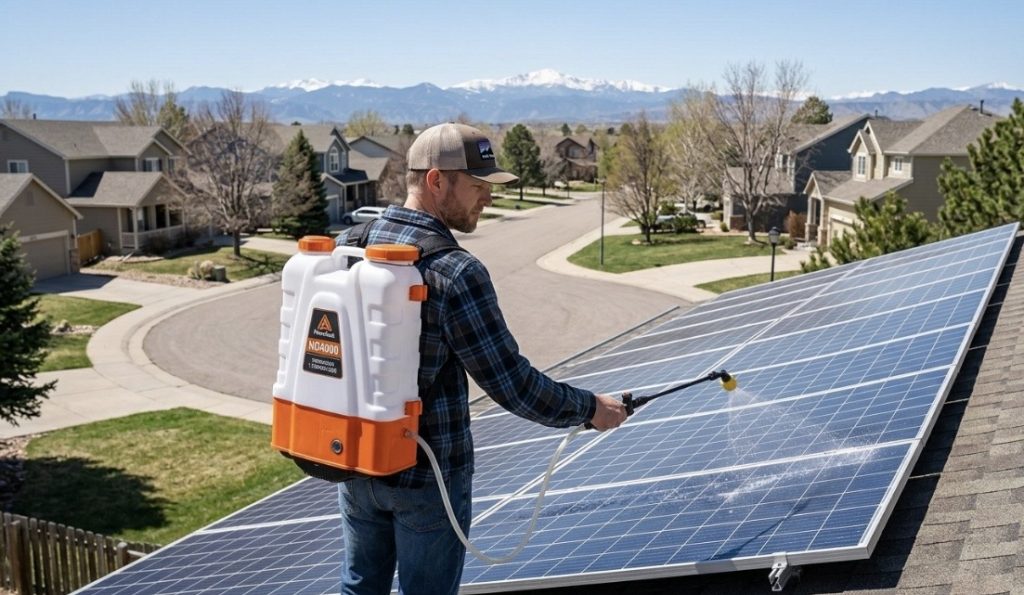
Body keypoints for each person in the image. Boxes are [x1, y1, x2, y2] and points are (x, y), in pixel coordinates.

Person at [335, 122, 627, 595]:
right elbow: (512, 384)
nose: (487, 198)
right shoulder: (455, 270)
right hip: (428, 480)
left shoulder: (350, 246)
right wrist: (590, 409)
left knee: (357, 589)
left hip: (355, 463)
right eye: (477, 185)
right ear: (436, 180)